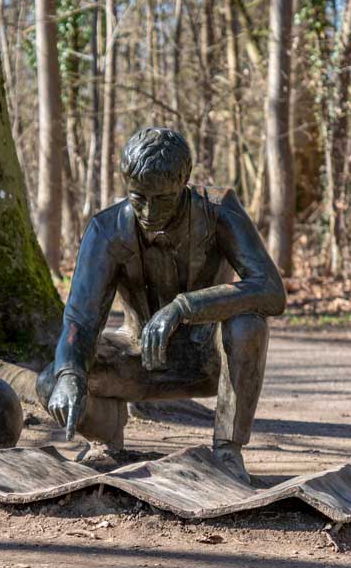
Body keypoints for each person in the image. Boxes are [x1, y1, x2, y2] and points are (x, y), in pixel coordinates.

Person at [36, 127, 286, 483]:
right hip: (138, 357)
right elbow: (81, 320)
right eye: (139, 198)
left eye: (163, 199)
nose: (149, 211)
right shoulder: (106, 229)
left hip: (211, 357)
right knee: (53, 380)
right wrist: (70, 374)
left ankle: (228, 451)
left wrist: (184, 307)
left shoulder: (218, 211)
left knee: (249, 324)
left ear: (184, 182)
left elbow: (271, 290)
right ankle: (106, 439)